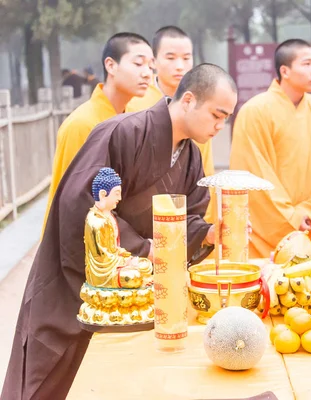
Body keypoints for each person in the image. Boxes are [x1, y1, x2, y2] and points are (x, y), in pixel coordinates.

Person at [1, 63, 238, 400]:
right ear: (188, 99)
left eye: (226, 118)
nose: (220, 125)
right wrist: (141, 248)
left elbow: (187, 219)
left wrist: (209, 233)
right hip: (78, 286)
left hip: (137, 297)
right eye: (217, 114)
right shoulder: (122, 132)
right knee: (50, 377)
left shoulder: (191, 156)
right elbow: (82, 203)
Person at [229, 38, 311, 258]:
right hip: (270, 229)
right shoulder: (255, 112)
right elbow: (254, 174)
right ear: (285, 71)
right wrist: (291, 216)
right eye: (307, 64)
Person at [42, 32, 154, 231]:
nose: (147, 73)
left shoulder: (137, 121)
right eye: (138, 64)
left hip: (123, 241)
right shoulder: (81, 124)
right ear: (111, 65)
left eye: (150, 66)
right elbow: (66, 201)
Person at [127, 25, 216, 221]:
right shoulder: (135, 104)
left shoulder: (200, 104)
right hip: (141, 215)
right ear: (154, 61)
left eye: (186, 58)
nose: (180, 66)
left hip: (190, 210)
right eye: (170, 57)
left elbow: (205, 168)